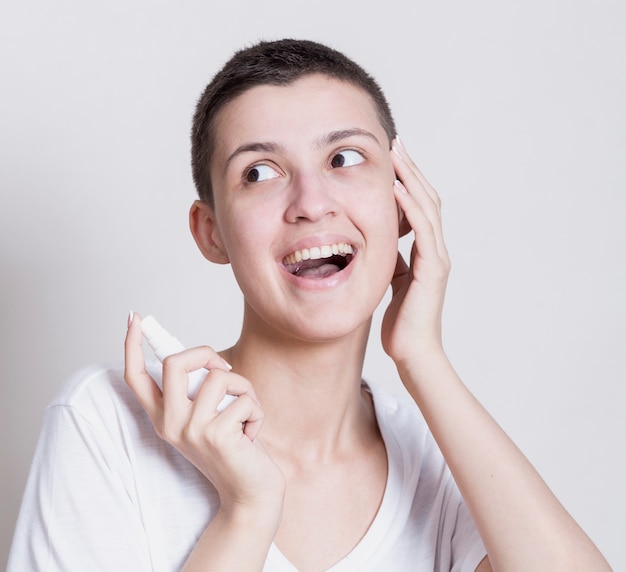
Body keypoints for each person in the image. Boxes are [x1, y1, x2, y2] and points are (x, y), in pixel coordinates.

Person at [8, 39, 611, 571]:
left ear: (404, 202)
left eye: (344, 158)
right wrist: (246, 512)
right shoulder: (106, 426)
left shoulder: (443, 459)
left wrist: (422, 357)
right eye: (260, 172)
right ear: (211, 231)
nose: (311, 202)